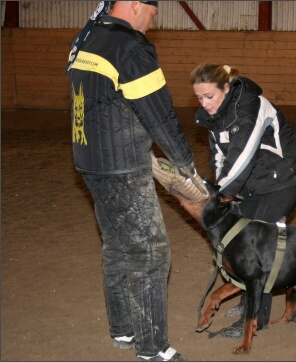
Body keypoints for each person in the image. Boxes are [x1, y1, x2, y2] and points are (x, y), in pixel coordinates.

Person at [66, 2, 205, 361]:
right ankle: (153, 349)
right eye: (151, 9)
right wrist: (186, 165)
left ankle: (124, 329)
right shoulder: (131, 47)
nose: (153, 17)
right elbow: (158, 112)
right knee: (150, 252)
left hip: (88, 160)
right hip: (123, 166)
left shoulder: (87, 37)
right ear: (133, 5)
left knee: (117, 246)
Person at [189, 63, 296, 338]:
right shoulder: (214, 116)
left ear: (226, 88)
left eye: (210, 96)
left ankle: (257, 319)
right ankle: (247, 301)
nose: (205, 104)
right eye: (199, 98)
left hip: (284, 179)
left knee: (259, 244)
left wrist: (219, 196)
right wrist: (221, 189)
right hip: (253, 182)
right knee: (237, 241)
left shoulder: (251, 105)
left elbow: (242, 154)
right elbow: (221, 158)